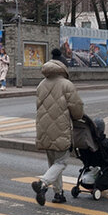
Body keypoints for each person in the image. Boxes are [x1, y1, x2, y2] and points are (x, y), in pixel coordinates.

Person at [32, 55, 84, 205]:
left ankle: (58, 194)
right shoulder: (67, 84)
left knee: (53, 163)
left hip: (43, 128)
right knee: (61, 162)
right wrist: (78, 117)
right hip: (61, 128)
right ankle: (43, 183)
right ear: (63, 70)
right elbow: (77, 109)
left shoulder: (41, 85)